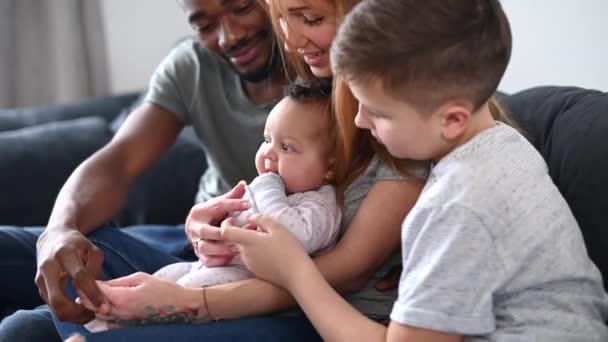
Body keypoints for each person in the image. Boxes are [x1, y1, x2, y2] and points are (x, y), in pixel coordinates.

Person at [1, 0, 427, 341]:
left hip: (264, 290)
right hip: (210, 257)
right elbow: (118, 159)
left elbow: (341, 268)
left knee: (27, 330)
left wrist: (192, 302)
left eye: (242, 8)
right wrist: (58, 231)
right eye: (205, 24)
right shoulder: (289, 75)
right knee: (59, 257)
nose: (230, 35)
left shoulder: (396, 124)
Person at [222, 0, 608, 341]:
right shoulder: (507, 146)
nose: (358, 121)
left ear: (452, 119)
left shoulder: (454, 206)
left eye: (377, 111)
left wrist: (295, 273)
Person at [82, 80, 342, 332]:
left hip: (248, 287)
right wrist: (217, 225)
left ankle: (118, 322)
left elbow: (293, 236)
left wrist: (265, 188)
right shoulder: (276, 191)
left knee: (183, 288)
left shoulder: (320, 206)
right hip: (214, 268)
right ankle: (107, 311)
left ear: (330, 167)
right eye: (266, 140)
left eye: (287, 147)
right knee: (166, 275)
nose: (268, 154)